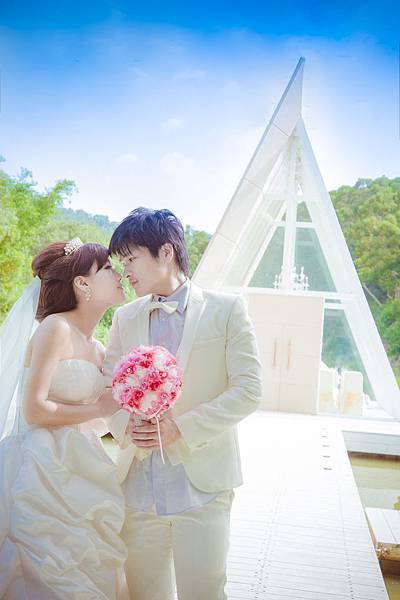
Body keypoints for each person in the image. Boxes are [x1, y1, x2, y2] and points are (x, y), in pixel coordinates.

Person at [104, 208, 262, 600]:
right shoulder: (125, 318)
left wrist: (181, 428)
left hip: (202, 487)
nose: (125, 270)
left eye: (131, 258)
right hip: (138, 490)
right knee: (144, 594)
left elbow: (249, 389)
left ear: (166, 252)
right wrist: (125, 425)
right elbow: (108, 388)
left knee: (204, 591)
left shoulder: (227, 309)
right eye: (121, 261)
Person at [0, 238, 127, 600]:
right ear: (82, 284)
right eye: (107, 268)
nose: (118, 274)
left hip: (83, 465)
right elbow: (34, 409)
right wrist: (101, 408)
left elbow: (95, 420)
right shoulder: (55, 328)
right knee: (47, 568)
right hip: (43, 467)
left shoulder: (98, 348)